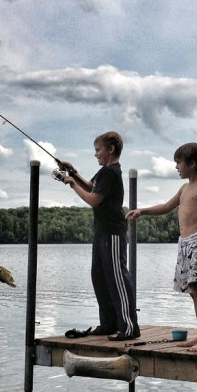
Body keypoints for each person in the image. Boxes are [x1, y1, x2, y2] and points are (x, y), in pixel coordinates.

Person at [125, 143, 197, 352]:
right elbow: (167, 207)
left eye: (179, 163)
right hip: (185, 244)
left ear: (192, 164)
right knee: (193, 291)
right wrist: (142, 211)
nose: (176, 167)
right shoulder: (184, 188)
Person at [58, 132, 140, 342]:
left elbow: (93, 199)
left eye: (98, 150)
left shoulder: (111, 172)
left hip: (113, 232)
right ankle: (109, 323)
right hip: (101, 232)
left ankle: (128, 327)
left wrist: (71, 184)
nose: (96, 154)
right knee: (99, 276)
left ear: (110, 149)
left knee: (117, 277)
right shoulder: (104, 172)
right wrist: (74, 173)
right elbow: (90, 186)